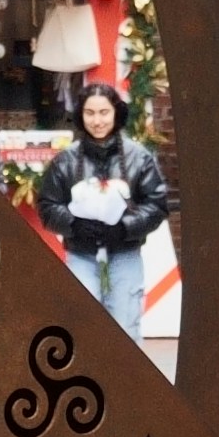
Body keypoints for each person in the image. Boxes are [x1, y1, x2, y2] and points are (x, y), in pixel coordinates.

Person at [51, 77, 172, 331]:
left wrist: (125, 227)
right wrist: (73, 224)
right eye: (90, 113)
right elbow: (49, 204)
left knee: (125, 324)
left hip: (125, 253)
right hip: (81, 254)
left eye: (104, 112)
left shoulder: (139, 158)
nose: (97, 121)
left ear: (116, 112)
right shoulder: (65, 160)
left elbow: (157, 204)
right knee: (83, 324)